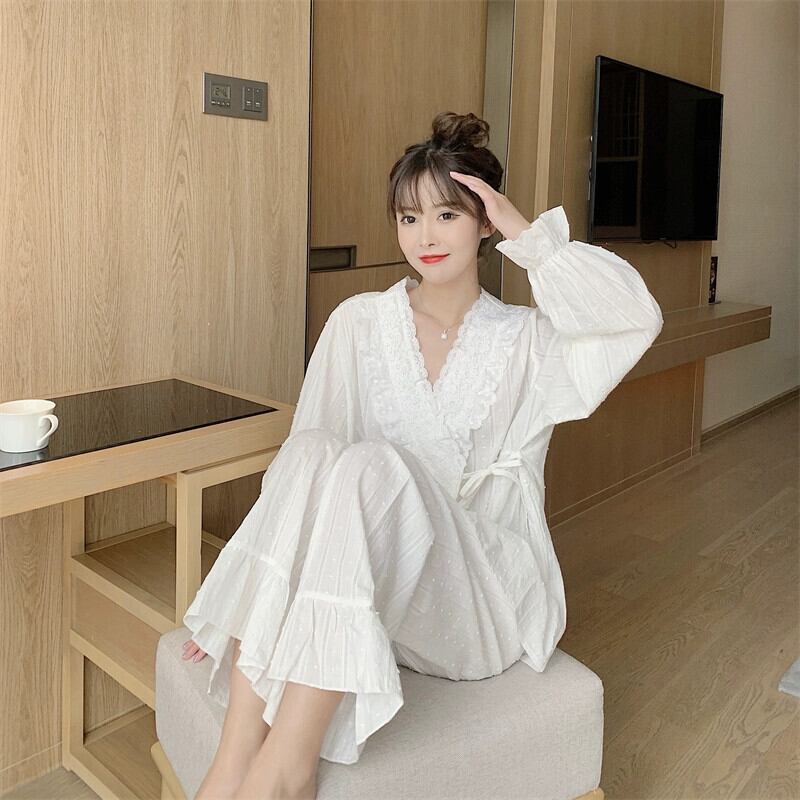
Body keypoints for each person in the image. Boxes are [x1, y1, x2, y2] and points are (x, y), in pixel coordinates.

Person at [180, 111, 664, 800]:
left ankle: (286, 771)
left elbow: (634, 319)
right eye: (409, 218)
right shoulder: (357, 322)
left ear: (484, 222)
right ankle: (233, 762)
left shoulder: (528, 339)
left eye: (447, 215)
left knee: (372, 465)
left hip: (480, 601)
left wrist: (527, 235)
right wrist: (248, 602)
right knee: (314, 447)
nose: (425, 237)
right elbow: (302, 483)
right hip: (377, 596)